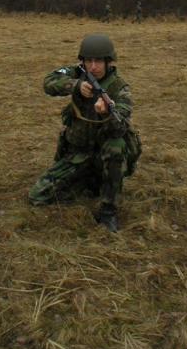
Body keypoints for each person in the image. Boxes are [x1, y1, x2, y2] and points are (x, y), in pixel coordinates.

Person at [29, 34, 141, 232]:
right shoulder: (77, 72)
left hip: (103, 155)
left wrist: (106, 113)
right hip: (79, 153)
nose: (93, 66)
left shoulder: (119, 88)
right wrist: (76, 86)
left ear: (108, 62)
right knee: (38, 195)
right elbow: (49, 82)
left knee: (116, 146)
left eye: (98, 61)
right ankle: (86, 181)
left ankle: (108, 210)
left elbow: (121, 126)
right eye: (89, 61)